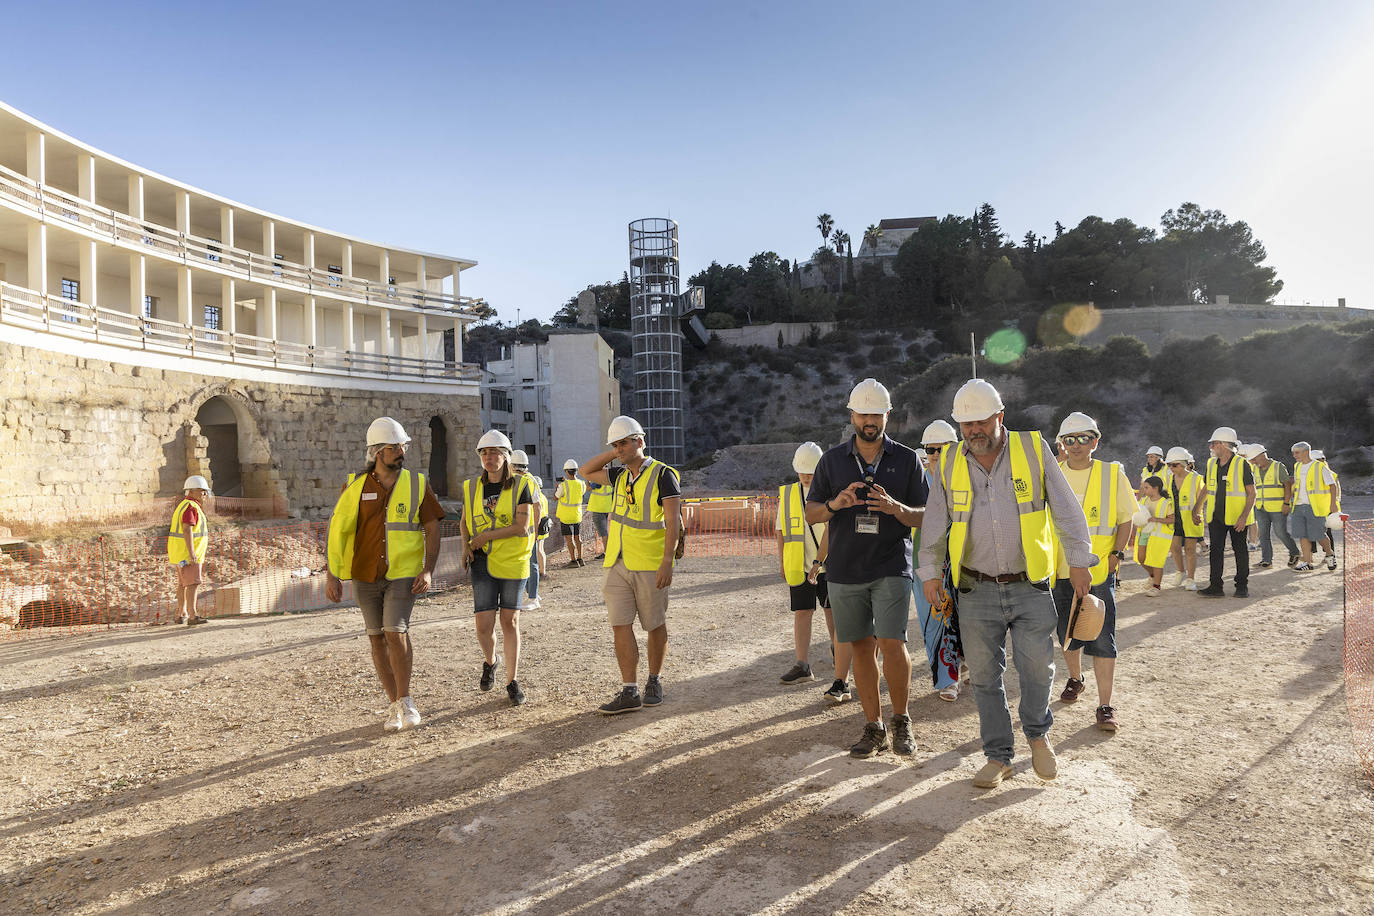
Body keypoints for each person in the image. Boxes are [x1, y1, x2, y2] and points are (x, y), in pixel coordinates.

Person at [920, 379, 1095, 789]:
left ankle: (1037, 735)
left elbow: (1066, 508)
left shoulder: (1033, 450)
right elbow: (934, 524)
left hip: (1030, 585)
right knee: (983, 677)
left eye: (980, 422)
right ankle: (998, 757)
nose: (973, 432)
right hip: (974, 589)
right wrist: (929, 573)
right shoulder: (948, 462)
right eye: (965, 425)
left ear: (1000, 417)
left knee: (1037, 669)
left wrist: (1080, 560)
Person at [805, 379, 927, 758]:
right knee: (860, 646)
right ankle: (873, 726)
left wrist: (896, 509)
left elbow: (927, 516)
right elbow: (811, 513)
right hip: (844, 569)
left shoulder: (907, 460)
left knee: (893, 642)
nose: (870, 420)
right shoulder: (831, 461)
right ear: (852, 415)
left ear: (887, 415)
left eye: (877, 414)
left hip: (891, 564)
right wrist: (836, 505)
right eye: (864, 413)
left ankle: (902, 720)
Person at [326, 417, 444, 731]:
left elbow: (433, 527)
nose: (400, 451)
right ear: (377, 452)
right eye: (394, 447)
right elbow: (337, 530)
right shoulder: (354, 485)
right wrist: (332, 574)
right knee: (376, 638)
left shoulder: (417, 484)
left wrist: (428, 570)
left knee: (395, 631)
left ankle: (406, 701)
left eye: (402, 446)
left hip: (404, 573)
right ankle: (394, 706)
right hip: (364, 573)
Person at [580, 415, 682, 715]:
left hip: (650, 563)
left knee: (654, 624)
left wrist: (668, 561)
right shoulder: (620, 475)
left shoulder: (664, 474)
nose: (619, 449)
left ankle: (654, 680)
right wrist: (615, 453)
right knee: (620, 625)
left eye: (624, 442)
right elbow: (587, 471)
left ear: (640, 440)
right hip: (617, 561)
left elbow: (673, 521)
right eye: (615, 444)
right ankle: (629, 690)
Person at [1051, 412, 1137, 734]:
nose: (1076, 445)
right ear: (1062, 444)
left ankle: (1105, 705)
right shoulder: (1053, 475)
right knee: (1068, 634)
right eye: (1069, 440)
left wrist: (1116, 553)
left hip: (1099, 573)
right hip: (1059, 571)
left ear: (1095, 442)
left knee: (1102, 639)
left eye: (1083, 438)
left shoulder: (1113, 474)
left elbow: (1126, 517)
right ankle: (1075, 678)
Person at [460, 431, 534, 706]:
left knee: (509, 621)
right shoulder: (470, 487)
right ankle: (491, 661)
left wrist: (485, 537)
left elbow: (522, 526)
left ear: (506, 456)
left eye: (495, 453)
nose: (489, 458)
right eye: (484, 453)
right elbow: (465, 521)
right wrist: (466, 546)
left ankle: (512, 681)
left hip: (513, 562)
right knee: (483, 625)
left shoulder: (520, 486)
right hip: (481, 561)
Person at [776, 441, 853, 701]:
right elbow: (781, 530)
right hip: (799, 564)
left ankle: (838, 657)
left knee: (832, 613)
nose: (807, 475)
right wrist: (781, 561)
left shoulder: (830, 492)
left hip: (828, 564)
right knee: (802, 612)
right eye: (802, 471)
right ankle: (802, 664)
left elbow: (832, 530)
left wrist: (819, 562)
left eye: (811, 470)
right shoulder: (787, 494)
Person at [916, 419, 964, 702]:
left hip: (961, 561)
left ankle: (964, 661)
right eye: (931, 450)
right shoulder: (916, 481)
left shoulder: (965, 478)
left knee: (963, 617)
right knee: (935, 619)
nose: (936, 455)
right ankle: (947, 679)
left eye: (942, 449)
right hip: (926, 565)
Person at [1195, 427, 1256, 598]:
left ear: (1223, 444)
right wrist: (1196, 509)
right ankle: (1215, 586)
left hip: (1238, 518)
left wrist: (1244, 517)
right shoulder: (1210, 463)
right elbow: (1207, 488)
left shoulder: (1242, 464)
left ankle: (1242, 586)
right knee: (1215, 551)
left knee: (1240, 550)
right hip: (1216, 517)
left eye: (1214, 443)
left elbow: (1252, 493)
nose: (1211, 447)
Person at [1244, 443, 1299, 569]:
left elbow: (1287, 485)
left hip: (1278, 507)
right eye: (1251, 460)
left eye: (1254, 459)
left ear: (1262, 455)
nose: (1253, 462)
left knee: (1280, 533)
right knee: (1263, 534)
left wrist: (1286, 503)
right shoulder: (1254, 469)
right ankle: (1266, 560)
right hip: (1260, 507)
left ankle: (1294, 552)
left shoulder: (1278, 466)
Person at [167, 475, 212, 626]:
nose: (205, 494)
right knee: (192, 583)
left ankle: (182, 613)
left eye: (205, 491)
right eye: (202, 491)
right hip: (188, 554)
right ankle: (193, 616)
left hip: (179, 553)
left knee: (183, 584)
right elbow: (187, 530)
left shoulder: (184, 505)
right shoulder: (191, 507)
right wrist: (192, 553)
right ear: (191, 491)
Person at [1289, 442, 1338, 571]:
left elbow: (1332, 486)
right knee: (1302, 535)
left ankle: (1329, 554)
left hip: (1315, 507)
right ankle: (1307, 562)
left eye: (1297, 452)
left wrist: (1333, 504)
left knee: (1319, 535)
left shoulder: (1320, 467)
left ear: (1306, 452)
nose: (1294, 455)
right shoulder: (1297, 466)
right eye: (1293, 453)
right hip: (1299, 506)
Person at [509, 450, 545, 612]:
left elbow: (537, 506)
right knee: (530, 563)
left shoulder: (517, 481)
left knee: (530, 564)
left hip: (522, 530)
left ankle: (532, 597)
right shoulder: (530, 480)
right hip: (527, 529)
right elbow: (538, 507)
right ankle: (533, 594)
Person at [1165, 447, 1204, 590]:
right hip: (1175, 520)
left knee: (1190, 549)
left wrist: (1198, 513)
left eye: (1174, 465)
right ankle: (1181, 572)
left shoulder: (1196, 478)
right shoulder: (1170, 478)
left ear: (1183, 464)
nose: (1171, 468)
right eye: (1169, 465)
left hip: (1191, 518)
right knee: (1174, 548)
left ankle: (1190, 579)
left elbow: (1202, 497)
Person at [1134, 477, 1174, 597]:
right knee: (1141, 559)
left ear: (1156, 488)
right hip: (1144, 533)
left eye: (1147, 487)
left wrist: (1157, 519)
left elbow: (1172, 519)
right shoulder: (1144, 501)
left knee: (1156, 561)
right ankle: (1152, 576)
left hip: (1158, 536)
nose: (1144, 490)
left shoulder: (1166, 503)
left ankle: (1156, 586)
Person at [1312, 449, 1342, 565]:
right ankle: (1320, 553)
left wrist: (1333, 506)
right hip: (1321, 506)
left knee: (1324, 531)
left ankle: (1328, 554)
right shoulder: (1329, 473)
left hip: (1325, 507)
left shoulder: (1326, 473)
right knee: (1321, 531)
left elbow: (1336, 491)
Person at [556, 458, 588, 568]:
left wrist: (557, 487)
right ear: (576, 471)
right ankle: (581, 558)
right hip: (577, 515)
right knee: (578, 538)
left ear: (566, 471)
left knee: (569, 540)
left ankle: (573, 561)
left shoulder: (563, 485)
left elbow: (556, 497)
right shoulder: (582, 484)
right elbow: (580, 492)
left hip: (566, 516)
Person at [586, 478, 614, 560]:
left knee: (603, 533)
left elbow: (588, 488)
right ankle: (608, 551)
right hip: (607, 507)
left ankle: (607, 553)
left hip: (598, 508)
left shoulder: (598, 480)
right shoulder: (608, 479)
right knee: (605, 531)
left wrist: (588, 480)